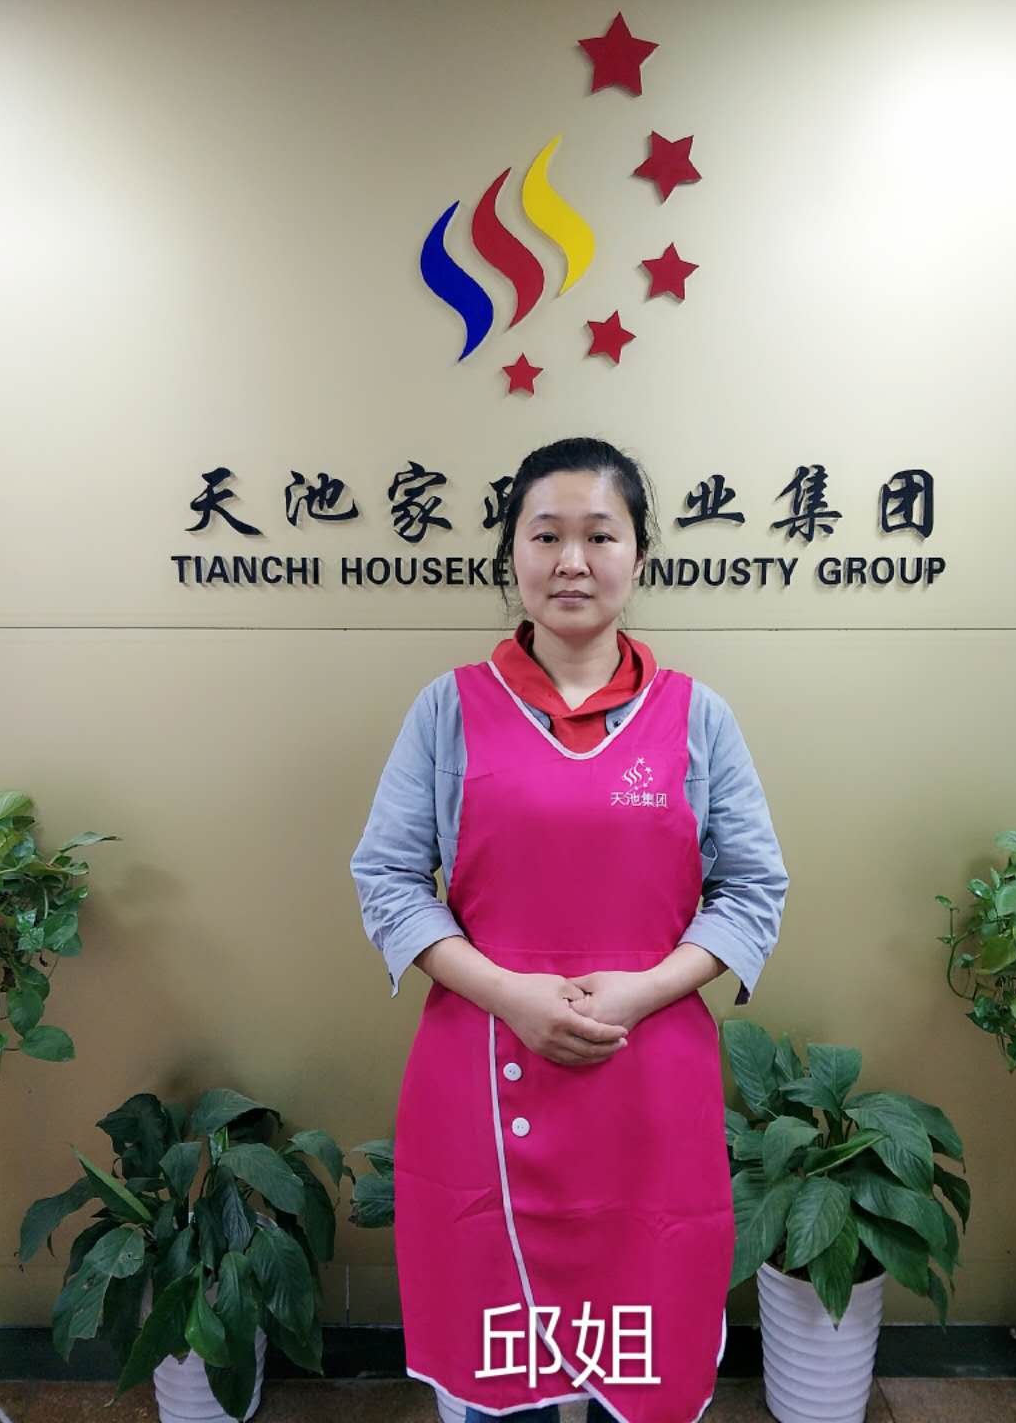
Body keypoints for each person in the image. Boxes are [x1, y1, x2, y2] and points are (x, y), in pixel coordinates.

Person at [350, 437, 790, 1423]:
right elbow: (387, 877)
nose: (572, 561)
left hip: (649, 1075)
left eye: (601, 534)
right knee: (499, 1374)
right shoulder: (448, 709)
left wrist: (645, 990)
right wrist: (508, 993)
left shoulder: (698, 718)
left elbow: (754, 888)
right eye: (546, 535)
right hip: (482, 1063)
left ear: (640, 554)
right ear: (511, 552)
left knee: (642, 1355)